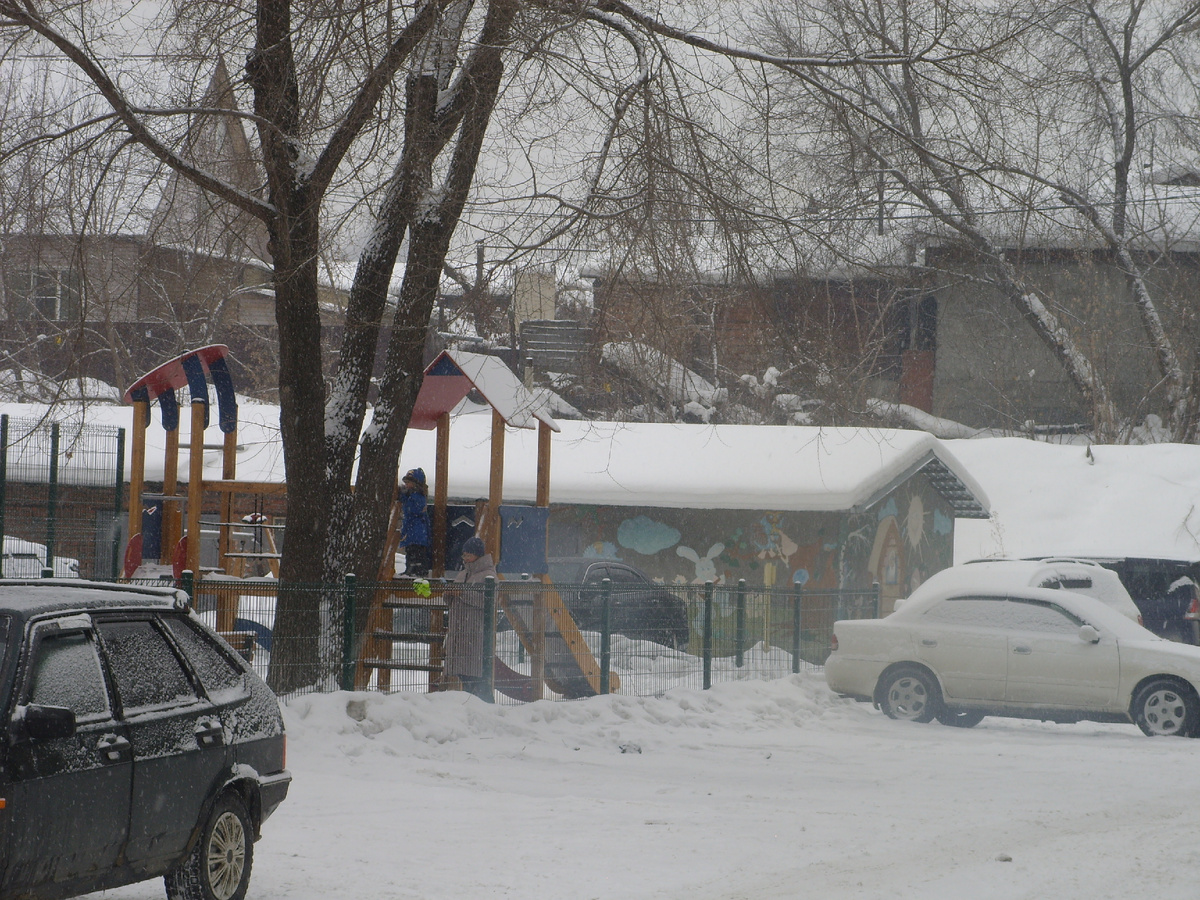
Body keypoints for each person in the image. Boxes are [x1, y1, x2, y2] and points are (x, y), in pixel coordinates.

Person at [441, 535, 496, 701]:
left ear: (477, 555)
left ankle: (486, 708)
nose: (465, 558)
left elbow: (487, 602)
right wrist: (449, 594)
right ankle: (476, 707)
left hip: (475, 633)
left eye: (468, 555)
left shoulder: (489, 576)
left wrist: (462, 592)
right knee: (466, 677)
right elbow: (454, 599)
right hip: (460, 633)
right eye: (463, 555)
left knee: (476, 678)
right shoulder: (463, 574)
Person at [397, 468, 431, 576]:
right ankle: (411, 569)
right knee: (411, 552)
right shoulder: (412, 496)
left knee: (416, 552)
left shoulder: (418, 497)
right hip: (413, 532)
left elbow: (412, 510)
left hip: (417, 532)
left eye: (409, 483)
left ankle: (417, 571)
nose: (407, 485)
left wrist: (404, 497)